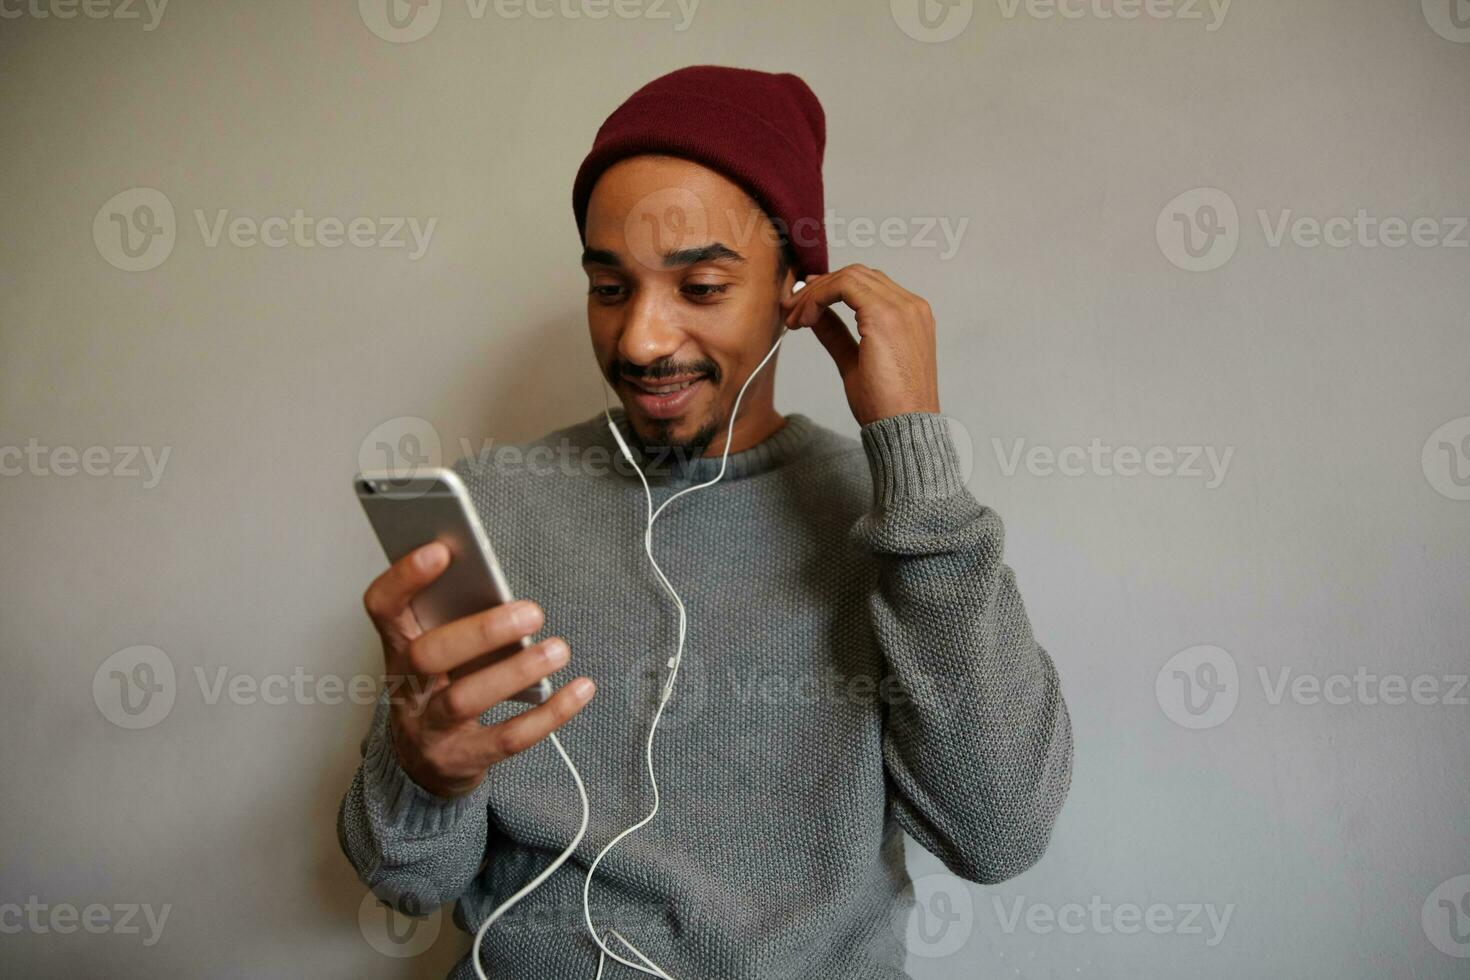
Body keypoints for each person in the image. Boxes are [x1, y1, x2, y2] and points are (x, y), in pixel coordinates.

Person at [339, 64, 1073, 979]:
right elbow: (409, 880)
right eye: (610, 289)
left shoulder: (889, 523)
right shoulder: (494, 507)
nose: (642, 340)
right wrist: (426, 768)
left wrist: (912, 449)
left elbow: (997, 834)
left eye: (701, 288)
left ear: (794, 291)